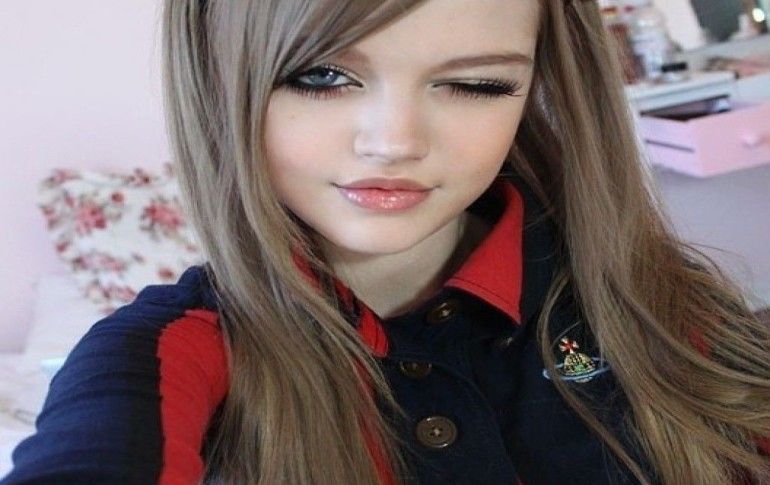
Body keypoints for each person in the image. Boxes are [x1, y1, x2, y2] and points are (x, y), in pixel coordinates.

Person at [2, 0, 770, 483]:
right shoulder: (172, 353)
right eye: (320, 77)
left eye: (475, 84)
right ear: (221, 82)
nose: (395, 141)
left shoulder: (652, 300)